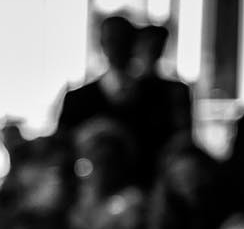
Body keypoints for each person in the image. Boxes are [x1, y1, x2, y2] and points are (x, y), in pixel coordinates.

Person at [56, 14, 188, 186]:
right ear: (102, 44)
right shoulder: (78, 99)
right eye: (112, 40)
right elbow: (63, 149)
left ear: (134, 43)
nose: (117, 47)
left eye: (123, 40)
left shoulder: (157, 96)